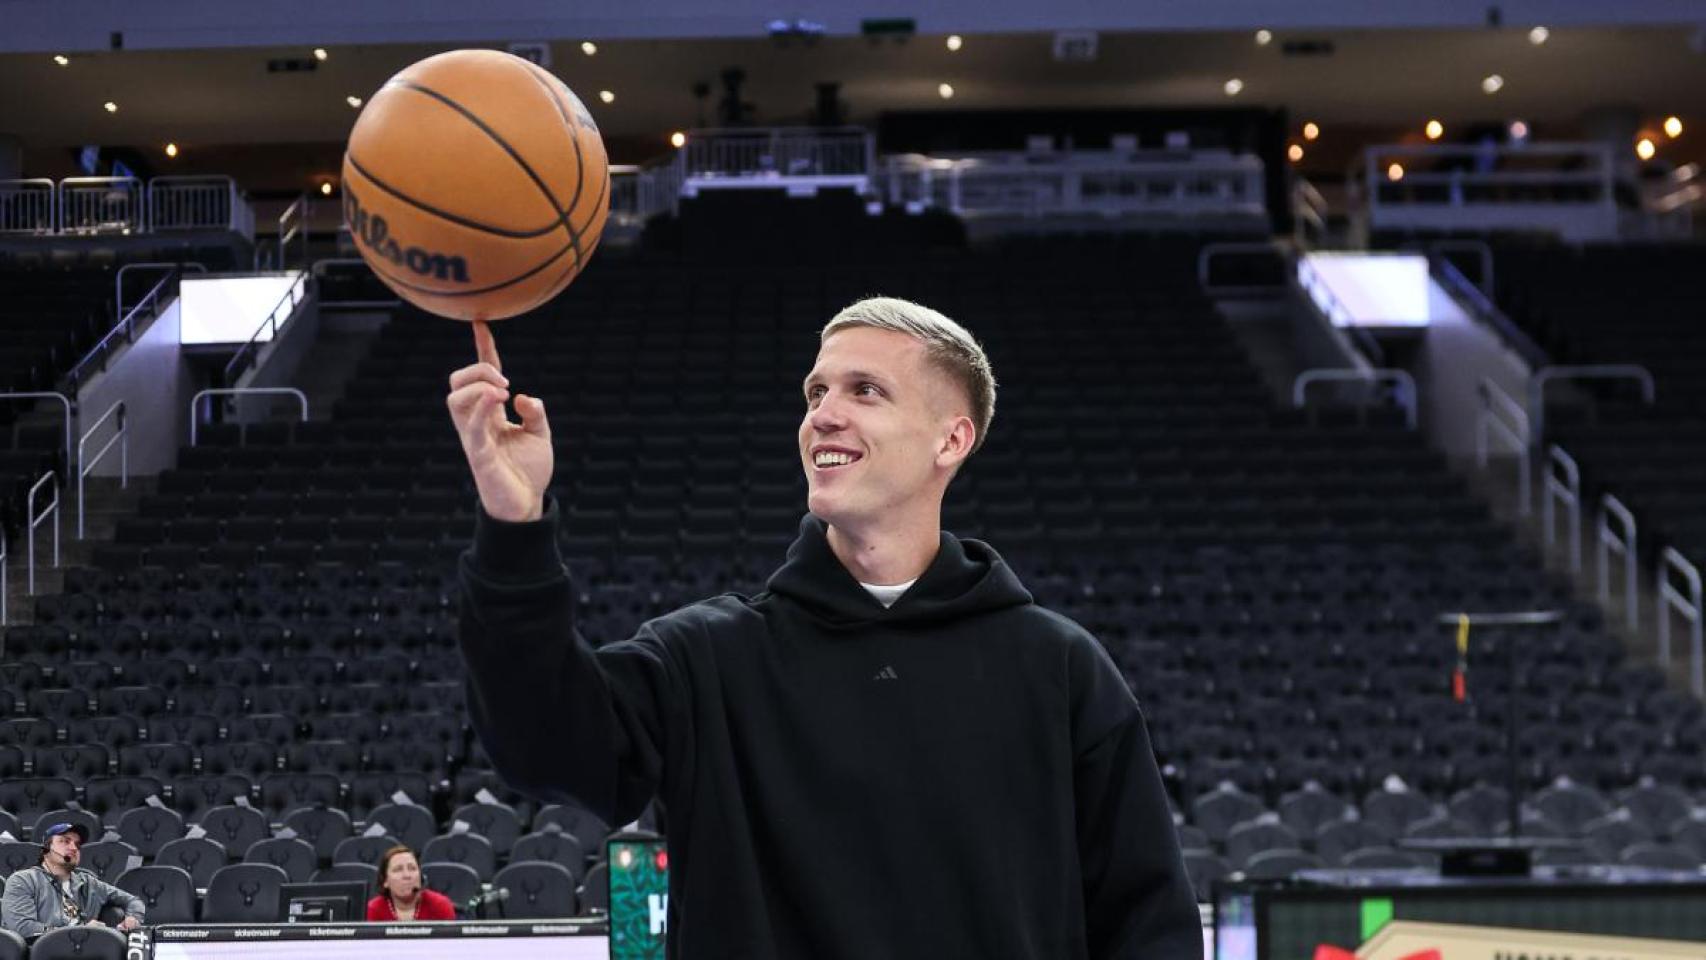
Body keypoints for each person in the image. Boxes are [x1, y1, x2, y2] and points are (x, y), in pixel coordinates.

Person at [450, 297, 1199, 958]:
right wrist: (514, 527)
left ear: (952, 441)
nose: (823, 414)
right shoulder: (706, 658)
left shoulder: (1061, 669)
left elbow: (1147, 922)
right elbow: (540, 743)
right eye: (816, 391)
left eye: (864, 390)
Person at [0, 823, 144, 941]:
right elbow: (23, 928)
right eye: (64, 841)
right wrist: (80, 930)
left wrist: (132, 918)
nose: (74, 848)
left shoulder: (89, 883)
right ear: (46, 849)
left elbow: (133, 901)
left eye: (77, 844)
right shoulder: (23, 880)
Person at [366, 845, 457, 921]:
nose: (407, 875)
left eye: (412, 868)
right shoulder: (373, 910)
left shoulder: (439, 905)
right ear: (385, 881)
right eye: (398, 870)